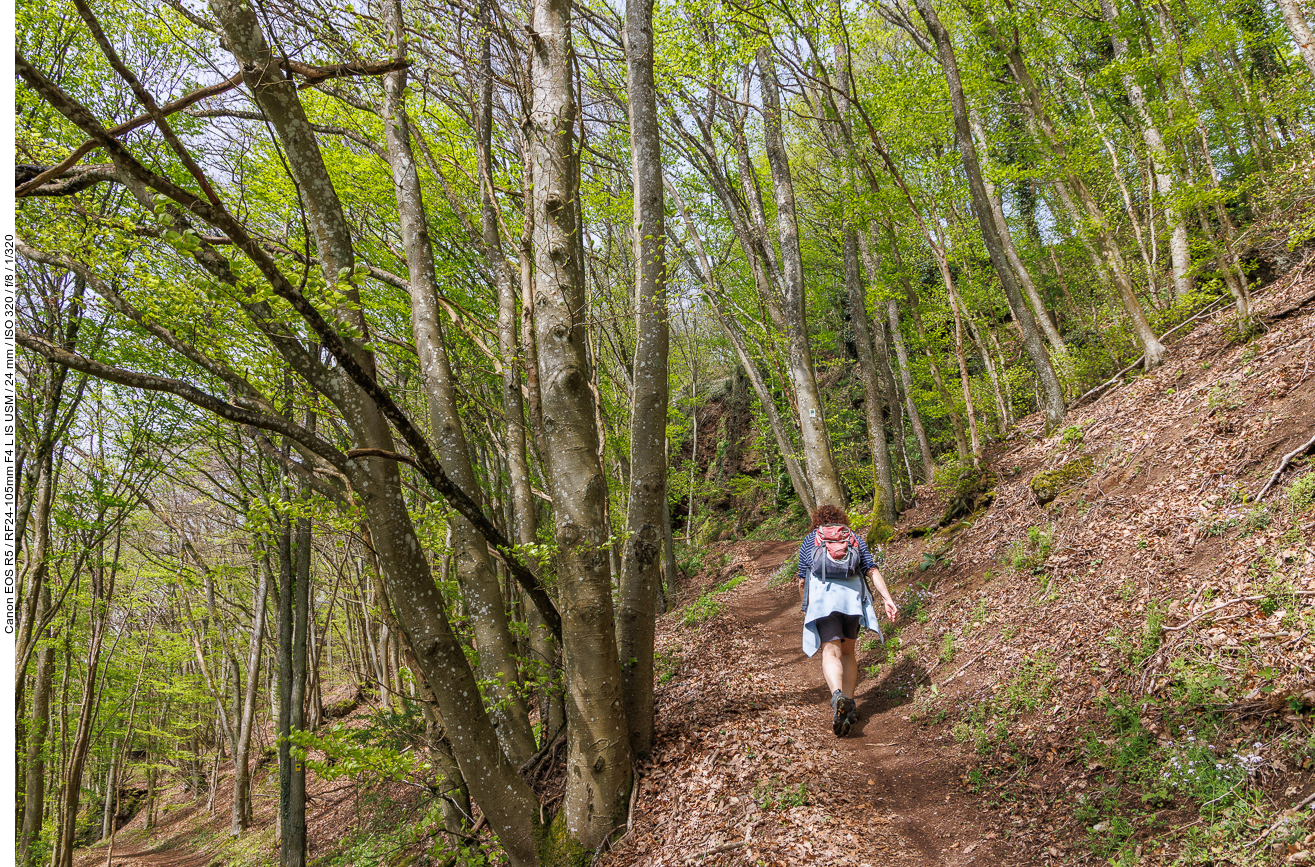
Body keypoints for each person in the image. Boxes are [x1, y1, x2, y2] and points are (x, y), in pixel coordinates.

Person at [796, 504, 899, 737]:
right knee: (849, 653)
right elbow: (871, 570)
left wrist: (806, 606)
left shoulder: (811, 539)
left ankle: (837, 695)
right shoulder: (853, 537)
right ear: (841, 520)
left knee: (831, 653)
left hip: (824, 603)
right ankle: (850, 704)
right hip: (852, 602)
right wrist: (887, 599)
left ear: (817, 521)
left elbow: (802, 579)